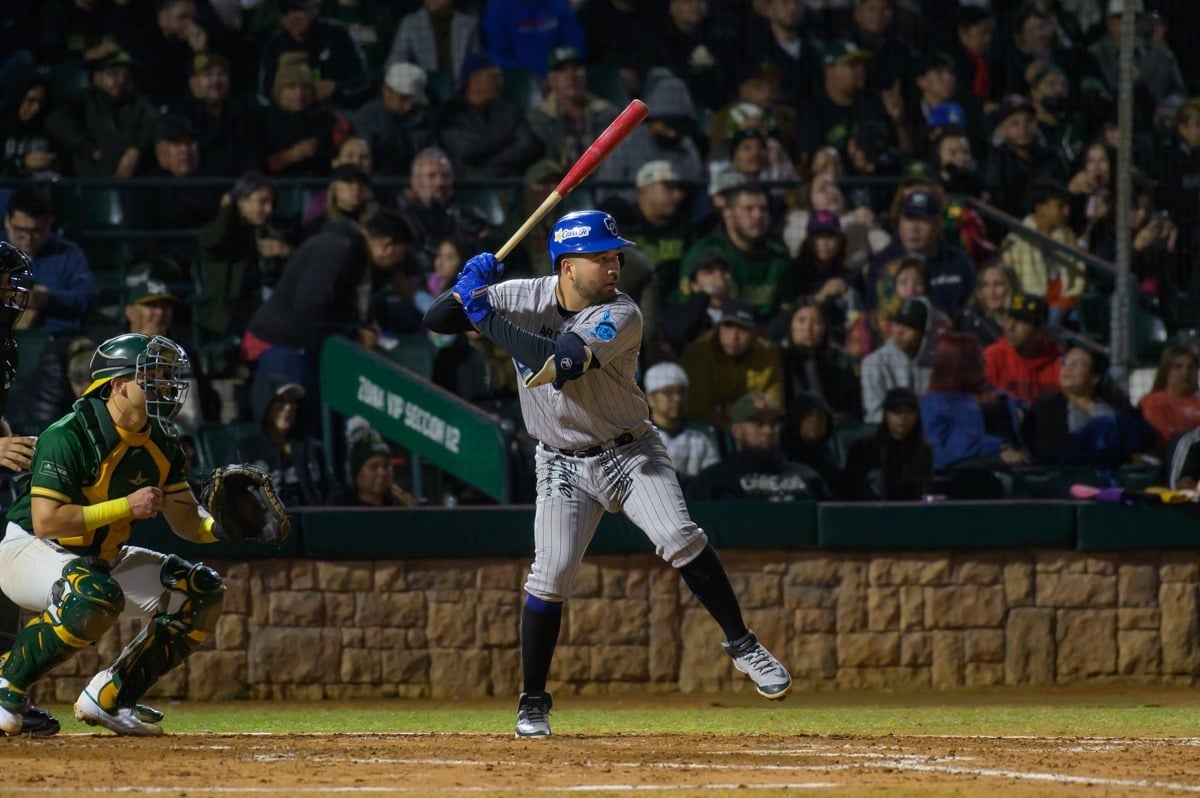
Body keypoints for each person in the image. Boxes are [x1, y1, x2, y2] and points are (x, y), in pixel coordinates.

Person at [423, 209, 793, 737]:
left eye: (615, 254)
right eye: (600, 257)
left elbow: (560, 363)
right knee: (549, 575)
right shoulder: (524, 294)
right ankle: (532, 702)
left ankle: (742, 644)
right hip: (560, 460)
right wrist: (464, 286)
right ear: (566, 266)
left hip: (629, 451)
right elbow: (436, 321)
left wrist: (480, 312)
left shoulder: (621, 313)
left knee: (678, 535)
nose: (614, 264)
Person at [0, 332, 227, 737]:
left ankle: (111, 697)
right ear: (118, 385)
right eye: (151, 377)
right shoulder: (69, 432)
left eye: (165, 377)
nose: (163, 386)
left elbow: (186, 521)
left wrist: (222, 525)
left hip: (100, 559)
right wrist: (126, 506)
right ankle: (4, 686)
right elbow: (46, 521)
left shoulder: (162, 441)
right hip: (31, 549)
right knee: (94, 595)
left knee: (202, 591)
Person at [1021, 345, 1152, 469]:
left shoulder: (1115, 406)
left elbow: (1137, 439)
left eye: (1076, 364)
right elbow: (1043, 450)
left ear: (1095, 378)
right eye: (1064, 363)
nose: (1067, 369)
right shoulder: (1045, 405)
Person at [685, 391, 831, 502]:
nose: (768, 430)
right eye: (758, 423)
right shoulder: (714, 480)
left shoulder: (808, 478)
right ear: (737, 430)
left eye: (773, 423)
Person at [44, 43, 160, 179]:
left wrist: (136, 149)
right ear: (96, 77)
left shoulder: (138, 103)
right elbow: (55, 121)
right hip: (91, 180)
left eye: (126, 75)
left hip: (133, 180)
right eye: (113, 74)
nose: (121, 80)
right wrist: (89, 149)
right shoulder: (83, 99)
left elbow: (154, 122)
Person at [920, 331, 1028, 475]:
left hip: (1019, 467)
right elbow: (940, 448)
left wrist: (1021, 411)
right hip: (969, 478)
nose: (984, 361)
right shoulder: (934, 403)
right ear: (958, 365)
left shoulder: (995, 394)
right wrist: (997, 447)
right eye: (977, 358)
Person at [680, 299, 786, 433]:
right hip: (708, 431)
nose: (734, 336)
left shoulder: (767, 355)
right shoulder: (698, 353)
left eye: (743, 329)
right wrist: (741, 413)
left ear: (756, 332)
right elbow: (698, 411)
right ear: (718, 327)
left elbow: (773, 407)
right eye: (728, 326)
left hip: (753, 430)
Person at [436, 52, 544, 180]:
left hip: (506, 182)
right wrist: (505, 137)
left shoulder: (508, 110)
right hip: (467, 185)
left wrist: (493, 166)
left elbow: (528, 145)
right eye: (494, 77)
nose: (500, 83)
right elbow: (465, 149)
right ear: (474, 79)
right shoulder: (451, 111)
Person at [232, 377, 337, 507]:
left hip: (311, 522)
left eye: (292, 402)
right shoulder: (246, 449)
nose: (288, 407)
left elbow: (331, 493)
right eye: (279, 401)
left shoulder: (312, 449)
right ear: (265, 404)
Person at [257, 0, 371, 110]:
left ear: (314, 9)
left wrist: (336, 87)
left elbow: (362, 80)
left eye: (298, 10)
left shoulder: (337, 35)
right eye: (285, 11)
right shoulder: (275, 44)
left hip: (337, 113)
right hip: (288, 119)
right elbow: (265, 94)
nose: (292, 17)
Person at [843, 387, 934, 501]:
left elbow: (924, 491)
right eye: (897, 412)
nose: (903, 418)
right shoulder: (863, 449)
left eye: (910, 412)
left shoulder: (924, 451)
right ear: (886, 415)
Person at [349, 61, 436, 178]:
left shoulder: (423, 118)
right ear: (386, 91)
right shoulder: (367, 119)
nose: (408, 106)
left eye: (413, 100)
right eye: (403, 98)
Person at [781, 299, 862, 422]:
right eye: (801, 321)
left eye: (816, 322)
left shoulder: (836, 361)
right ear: (791, 325)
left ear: (824, 328)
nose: (807, 329)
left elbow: (849, 405)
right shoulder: (779, 359)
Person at [860, 297, 936, 424]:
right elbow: (874, 416)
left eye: (909, 326)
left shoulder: (936, 363)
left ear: (924, 334)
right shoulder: (874, 363)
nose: (899, 331)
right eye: (897, 323)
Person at [983, 292, 1063, 409]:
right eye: (1009, 319)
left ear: (1039, 330)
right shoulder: (992, 357)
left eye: (1020, 321)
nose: (1010, 327)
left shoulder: (1059, 361)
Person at [642, 361, 720, 481]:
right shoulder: (639, 440)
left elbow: (715, 479)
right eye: (668, 393)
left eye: (681, 392)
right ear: (651, 399)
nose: (677, 398)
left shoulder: (700, 440)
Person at [386, 0, 482, 80]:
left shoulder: (468, 26)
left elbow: (477, 66)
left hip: (460, 95)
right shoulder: (410, 24)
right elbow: (395, 64)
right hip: (422, 94)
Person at [1137, 344, 1200, 455]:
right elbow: (1164, 440)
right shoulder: (1153, 402)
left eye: (1191, 367)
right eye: (1177, 367)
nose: (1186, 372)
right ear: (1166, 372)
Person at [0, 73, 60, 178]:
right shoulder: (3, 122)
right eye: (30, 101)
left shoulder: (50, 124)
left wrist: (54, 161)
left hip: (41, 183)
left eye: (41, 102)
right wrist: (22, 162)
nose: (36, 107)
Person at [330, 430, 406, 507]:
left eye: (386, 466)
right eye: (374, 467)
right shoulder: (338, 507)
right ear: (357, 472)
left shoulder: (401, 505)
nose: (382, 473)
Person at [956, 261, 1017, 347]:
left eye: (998, 284)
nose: (991, 292)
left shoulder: (1023, 319)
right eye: (985, 285)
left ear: (1011, 286)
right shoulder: (972, 322)